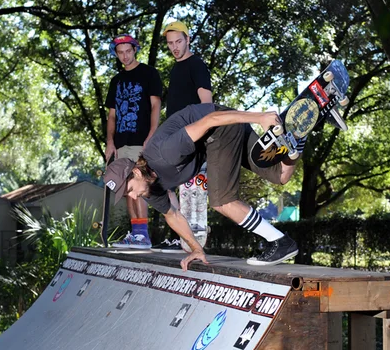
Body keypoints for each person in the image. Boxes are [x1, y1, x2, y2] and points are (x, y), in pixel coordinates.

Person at [103, 103, 300, 270]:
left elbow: (211, 120)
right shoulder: (148, 189)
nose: (134, 197)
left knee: (222, 200)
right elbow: (172, 215)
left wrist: (259, 117)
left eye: (129, 190)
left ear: (136, 172)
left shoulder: (164, 153)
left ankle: (281, 242)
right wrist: (196, 248)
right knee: (279, 175)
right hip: (221, 134)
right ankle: (296, 142)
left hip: (220, 125)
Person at [156, 20, 213, 251]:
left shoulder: (196, 65)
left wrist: (201, 135)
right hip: (175, 138)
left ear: (188, 39)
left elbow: (207, 103)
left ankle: (197, 232)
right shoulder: (176, 69)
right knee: (170, 185)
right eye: (170, 43)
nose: (175, 47)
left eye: (179, 41)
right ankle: (180, 234)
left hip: (193, 137)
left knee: (193, 186)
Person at [104, 34, 163, 249]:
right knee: (125, 186)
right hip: (121, 143)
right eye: (120, 53)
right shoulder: (116, 81)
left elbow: (156, 106)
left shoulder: (148, 73)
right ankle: (136, 233)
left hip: (141, 139)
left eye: (128, 51)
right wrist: (110, 142)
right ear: (116, 54)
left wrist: (152, 134)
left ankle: (143, 235)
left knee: (139, 185)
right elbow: (112, 115)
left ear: (135, 49)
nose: (125, 56)